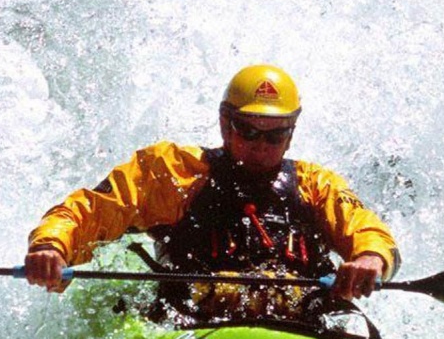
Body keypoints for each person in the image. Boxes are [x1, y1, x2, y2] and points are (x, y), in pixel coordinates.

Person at [24, 64, 399, 325]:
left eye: (275, 135)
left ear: (292, 131)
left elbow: (370, 234)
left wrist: (369, 260)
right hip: (195, 323)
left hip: (305, 322)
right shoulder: (172, 172)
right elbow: (87, 211)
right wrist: (52, 247)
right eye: (248, 131)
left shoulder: (316, 185)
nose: (261, 146)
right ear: (225, 122)